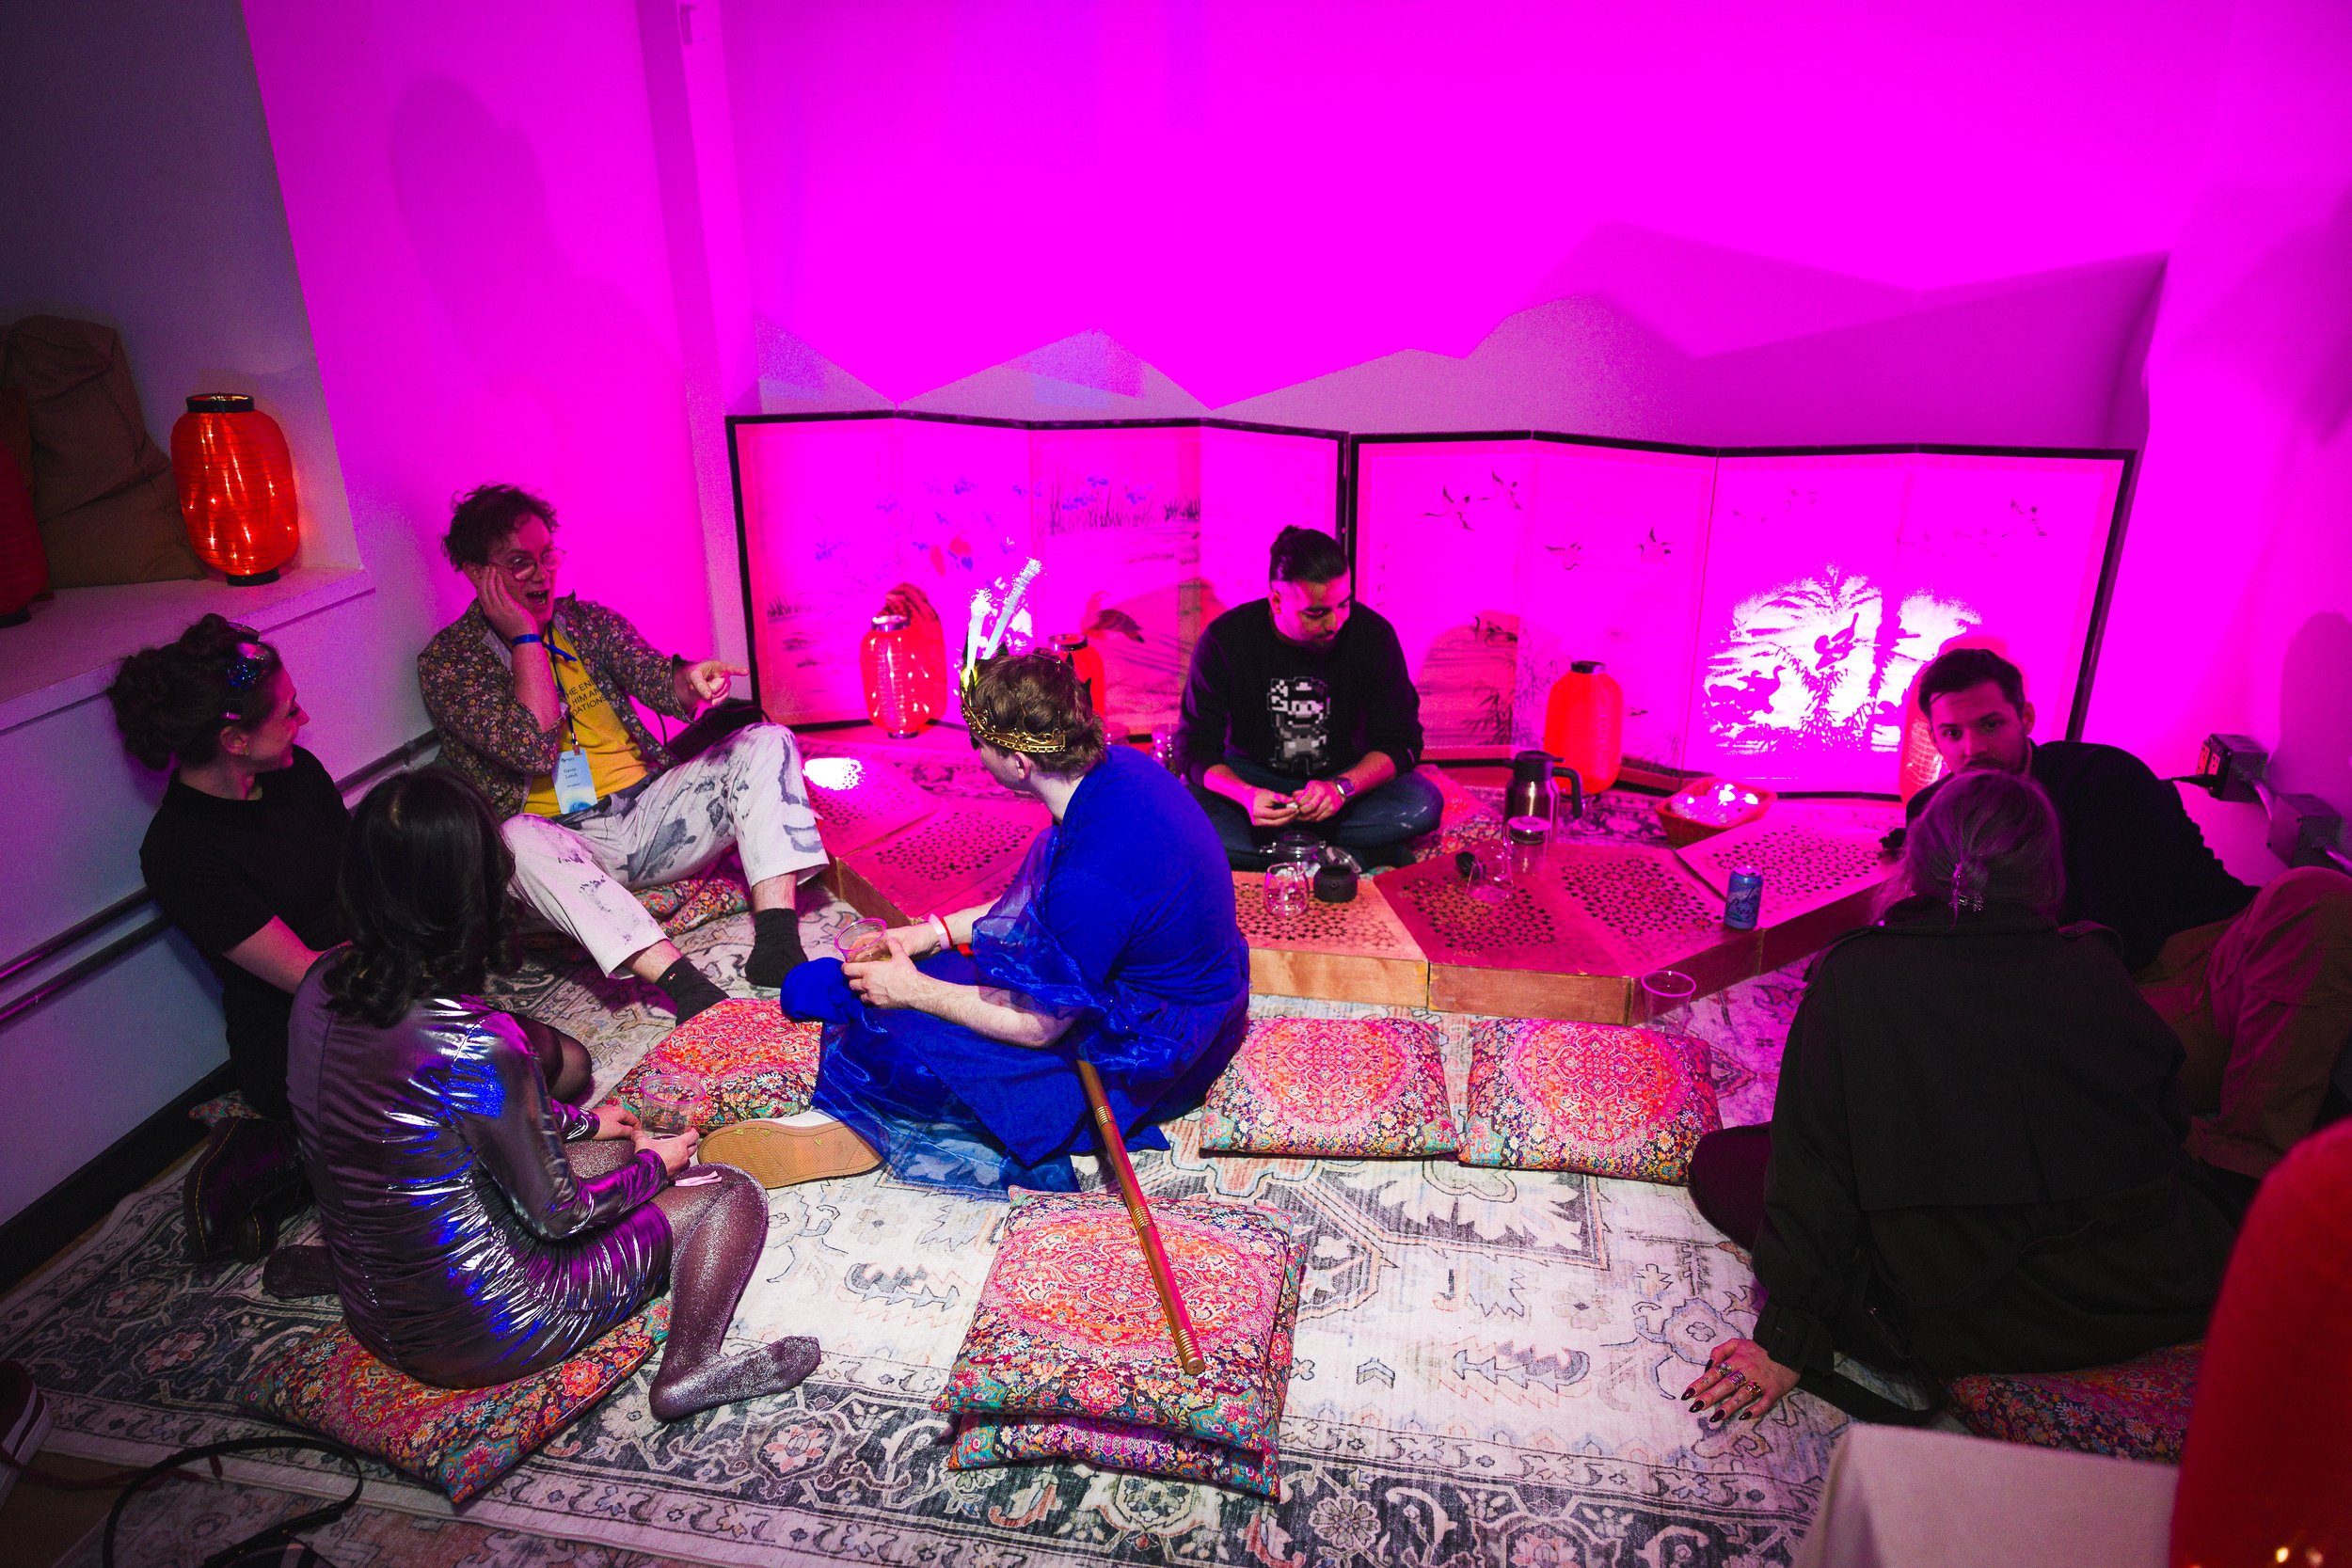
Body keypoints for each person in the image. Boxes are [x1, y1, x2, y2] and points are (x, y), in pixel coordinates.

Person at [1682, 769, 2235, 1426]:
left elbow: (1816, 1171)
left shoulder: (1860, 974)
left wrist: (1788, 1339)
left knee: (1729, 1160)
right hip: (2134, 1288)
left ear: (1920, 859)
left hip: (1978, 1310)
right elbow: (2164, 1122)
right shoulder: (2093, 963)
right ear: (2045, 871)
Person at [286, 769, 818, 1418]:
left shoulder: (320, 981)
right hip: (500, 1323)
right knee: (727, 1192)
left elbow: (448, 1117)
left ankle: (325, 1268)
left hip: (375, 1308)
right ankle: (690, 1370)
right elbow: (558, 1217)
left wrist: (587, 1124)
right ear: (472, 894)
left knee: (614, 1151)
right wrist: (660, 1166)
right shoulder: (479, 1042)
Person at [755, 653, 1250, 1195]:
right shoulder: (1123, 767)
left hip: (1158, 1050)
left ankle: (862, 1121)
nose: (975, 754)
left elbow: (1038, 1027)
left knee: (896, 1034)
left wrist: (913, 990)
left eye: (980, 743)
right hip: (1191, 994)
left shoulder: (1087, 883)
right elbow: (1040, 908)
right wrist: (932, 933)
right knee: (935, 973)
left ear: (1018, 763)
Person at [1907, 646, 2352, 1206]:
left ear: (2025, 718)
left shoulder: (2100, 775)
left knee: (2317, 894)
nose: (1972, 749)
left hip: (2205, 956)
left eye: (1990, 724)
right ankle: (2178, 1144)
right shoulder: (1934, 810)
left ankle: (2244, 1158)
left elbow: (2127, 927)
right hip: (2104, 1007)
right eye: (1951, 734)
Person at [418, 483, 829, 1022]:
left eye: (547, 556)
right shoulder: (449, 663)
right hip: (563, 847)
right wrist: (524, 638)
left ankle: (777, 943)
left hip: (649, 815)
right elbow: (533, 746)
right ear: (478, 575)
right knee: (511, 840)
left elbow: (661, 681)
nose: (542, 575)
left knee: (766, 739)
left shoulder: (587, 622)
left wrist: (692, 680)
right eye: (520, 564)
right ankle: (687, 988)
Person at [110, 617, 346, 1125]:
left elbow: (366, 878)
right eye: (288, 712)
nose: (302, 719)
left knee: (520, 1056)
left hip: (370, 974)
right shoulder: (180, 850)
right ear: (236, 740)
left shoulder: (296, 774)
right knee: (448, 1086)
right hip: (299, 1026)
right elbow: (308, 976)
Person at [1174, 525, 1442, 869]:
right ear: (1276, 601)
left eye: (1344, 604)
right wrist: (1245, 795)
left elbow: (1402, 741)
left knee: (1422, 804)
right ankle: (1348, 853)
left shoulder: (1373, 636)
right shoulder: (1226, 639)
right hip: (1255, 780)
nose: (1335, 622)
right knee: (1185, 820)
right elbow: (1193, 748)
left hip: (1344, 781)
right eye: (1316, 612)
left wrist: (1342, 789)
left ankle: (1280, 854)